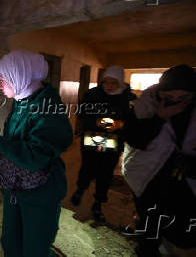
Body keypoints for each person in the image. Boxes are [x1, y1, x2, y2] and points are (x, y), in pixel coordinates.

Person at [0, 50, 73, 257]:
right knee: (10, 241)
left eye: (3, 80)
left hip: (41, 192)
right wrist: (3, 148)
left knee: (35, 248)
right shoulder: (22, 100)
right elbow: (20, 142)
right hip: (16, 186)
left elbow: (35, 158)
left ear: (20, 77)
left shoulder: (48, 110)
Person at [122, 64, 196, 256]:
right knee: (150, 219)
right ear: (160, 92)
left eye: (183, 98)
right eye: (169, 97)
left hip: (183, 177)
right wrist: (160, 117)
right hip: (148, 175)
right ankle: (147, 249)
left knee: (181, 226)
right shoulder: (145, 105)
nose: (176, 102)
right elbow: (134, 139)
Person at [70, 66, 136, 222]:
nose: (109, 86)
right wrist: (95, 121)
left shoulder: (129, 99)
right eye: (106, 82)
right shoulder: (93, 94)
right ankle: (80, 189)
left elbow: (135, 120)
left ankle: (98, 203)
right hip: (92, 137)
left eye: (113, 83)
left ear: (120, 82)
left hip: (114, 141)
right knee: (87, 166)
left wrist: (121, 124)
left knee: (105, 173)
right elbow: (81, 113)